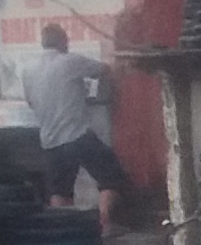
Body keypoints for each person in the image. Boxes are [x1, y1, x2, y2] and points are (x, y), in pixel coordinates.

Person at [21, 25, 126, 218]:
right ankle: (104, 226)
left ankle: (63, 233)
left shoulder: (28, 69)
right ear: (63, 42)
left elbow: (31, 102)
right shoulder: (70, 62)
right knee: (111, 177)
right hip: (77, 136)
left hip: (50, 141)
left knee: (60, 191)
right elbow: (104, 69)